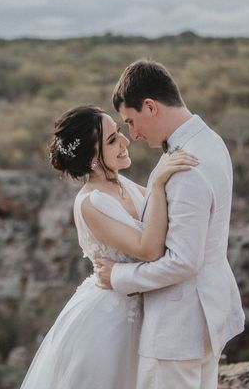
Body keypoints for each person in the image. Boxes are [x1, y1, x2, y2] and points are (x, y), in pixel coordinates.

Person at [19, 105, 198, 389]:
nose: (125, 141)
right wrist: (159, 183)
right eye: (112, 140)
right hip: (108, 321)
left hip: (145, 309)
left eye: (119, 133)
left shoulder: (123, 184)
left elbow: (164, 224)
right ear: (91, 158)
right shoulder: (91, 202)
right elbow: (149, 249)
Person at [94, 60, 245, 389]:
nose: (132, 134)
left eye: (132, 121)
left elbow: (183, 262)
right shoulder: (210, 141)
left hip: (177, 330)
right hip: (205, 317)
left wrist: (117, 276)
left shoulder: (185, 166)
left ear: (150, 106)